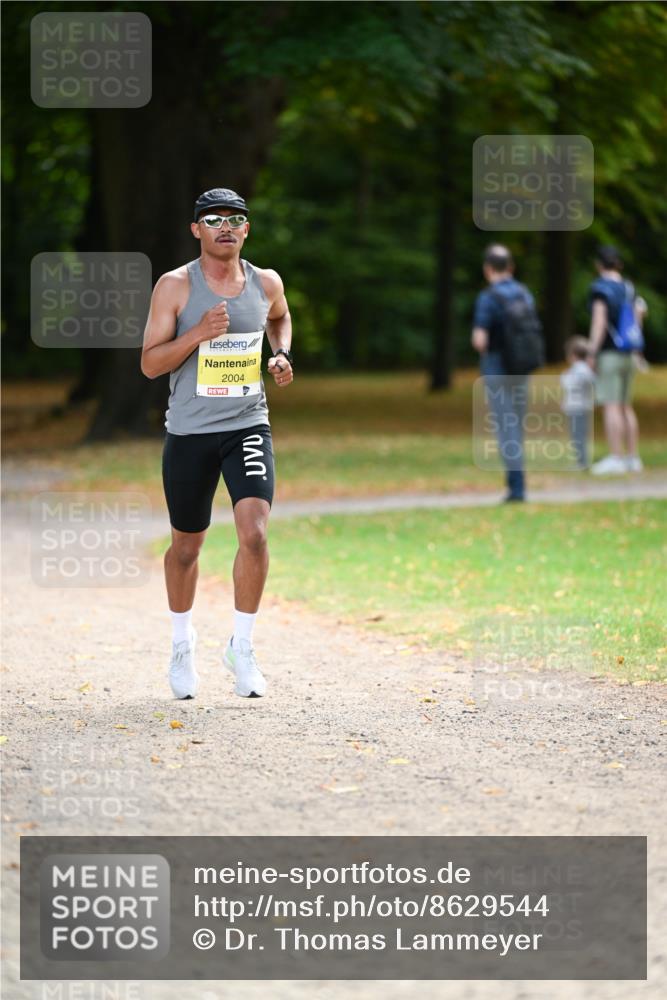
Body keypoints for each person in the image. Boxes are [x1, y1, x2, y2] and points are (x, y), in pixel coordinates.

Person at [141, 188, 294, 700]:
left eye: (235, 219)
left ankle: (242, 647)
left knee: (254, 533)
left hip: (247, 424)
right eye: (213, 219)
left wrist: (280, 353)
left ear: (246, 229)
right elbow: (149, 363)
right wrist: (198, 334)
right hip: (189, 432)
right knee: (187, 546)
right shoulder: (175, 286)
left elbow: (279, 316)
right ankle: (182, 642)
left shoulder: (265, 281)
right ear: (196, 230)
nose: (225, 227)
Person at [471, 244, 540, 502]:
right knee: (517, 425)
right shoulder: (525, 294)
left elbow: (479, 339)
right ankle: (518, 484)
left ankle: (516, 488)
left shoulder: (488, 298)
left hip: (497, 366)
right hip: (522, 366)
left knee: (505, 426)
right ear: (511, 267)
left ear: (487, 269)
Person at [587, 245, 643, 474]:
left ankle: (616, 457)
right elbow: (638, 316)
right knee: (626, 405)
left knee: (610, 406)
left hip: (610, 353)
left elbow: (600, 322)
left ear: (598, 264)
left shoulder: (600, 289)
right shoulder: (628, 287)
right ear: (618, 264)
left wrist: (591, 351)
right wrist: (637, 348)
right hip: (629, 351)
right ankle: (633, 457)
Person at [560, 337, 596, 470]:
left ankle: (581, 462)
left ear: (572, 355)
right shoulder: (584, 369)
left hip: (577, 408)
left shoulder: (579, 370)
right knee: (578, 434)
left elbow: (571, 385)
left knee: (578, 435)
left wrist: (564, 377)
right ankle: (581, 460)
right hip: (581, 406)